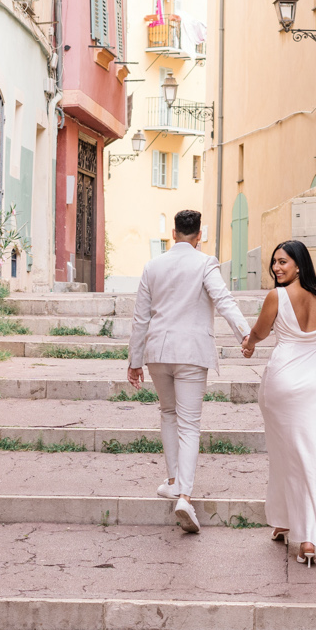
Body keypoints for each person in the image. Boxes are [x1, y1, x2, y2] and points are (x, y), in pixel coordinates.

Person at [126, 208, 251, 533]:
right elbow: (223, 300)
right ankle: (184, 495)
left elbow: (141, 317)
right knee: (190, 424)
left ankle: (172, 480)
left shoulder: (153, 266)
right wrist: (245, 333)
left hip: (158, 351)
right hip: (192, 352)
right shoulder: (205, 262)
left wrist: (134, 360)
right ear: (198, 236)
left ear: (173, 233)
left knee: (168, 413)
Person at [243, 239, 316, 567]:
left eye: (283, 262)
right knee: (313, 455)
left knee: (286, 453)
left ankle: (305, 536)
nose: (276, 268)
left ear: (299, 264)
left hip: (283, 380)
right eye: (274, 262)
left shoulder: (277, 296)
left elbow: (260, 331)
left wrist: (249, 343)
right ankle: (287, 523)